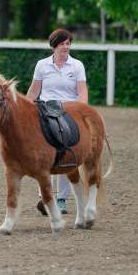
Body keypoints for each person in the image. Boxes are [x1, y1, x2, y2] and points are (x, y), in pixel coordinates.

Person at [26, 28, 88, 215]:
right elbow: (34, 91)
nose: (66, 47)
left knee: (65, 152)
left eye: (68, 43)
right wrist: (24, 109)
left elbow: (82, 92)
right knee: (41, 153)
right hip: (45, 110)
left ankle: (61, 199)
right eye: (62, 44)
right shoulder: (42, 65)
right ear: (54, 46)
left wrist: (82, 111)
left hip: (68, 111)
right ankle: (44, 196)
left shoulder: (77, 65)